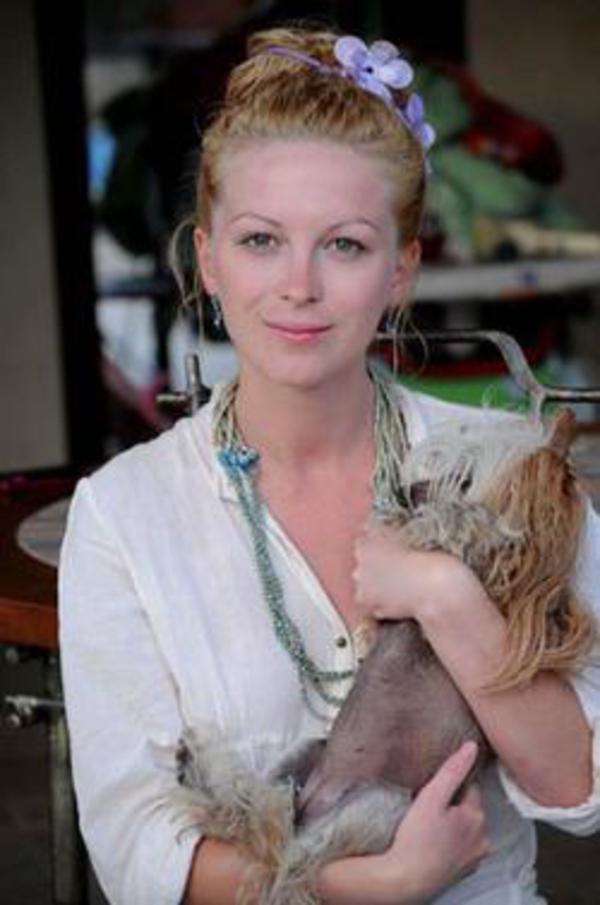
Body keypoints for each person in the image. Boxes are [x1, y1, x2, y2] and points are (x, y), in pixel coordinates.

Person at [59, 25, 600, 905]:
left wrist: (444, 594)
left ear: (401, 270)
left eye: (344, 244)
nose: (299, 285)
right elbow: (137, 853)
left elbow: (582, 786)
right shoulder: (124, 513)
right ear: (208, 259)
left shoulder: (512, 474)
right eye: (261, 240)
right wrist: (371, 885)